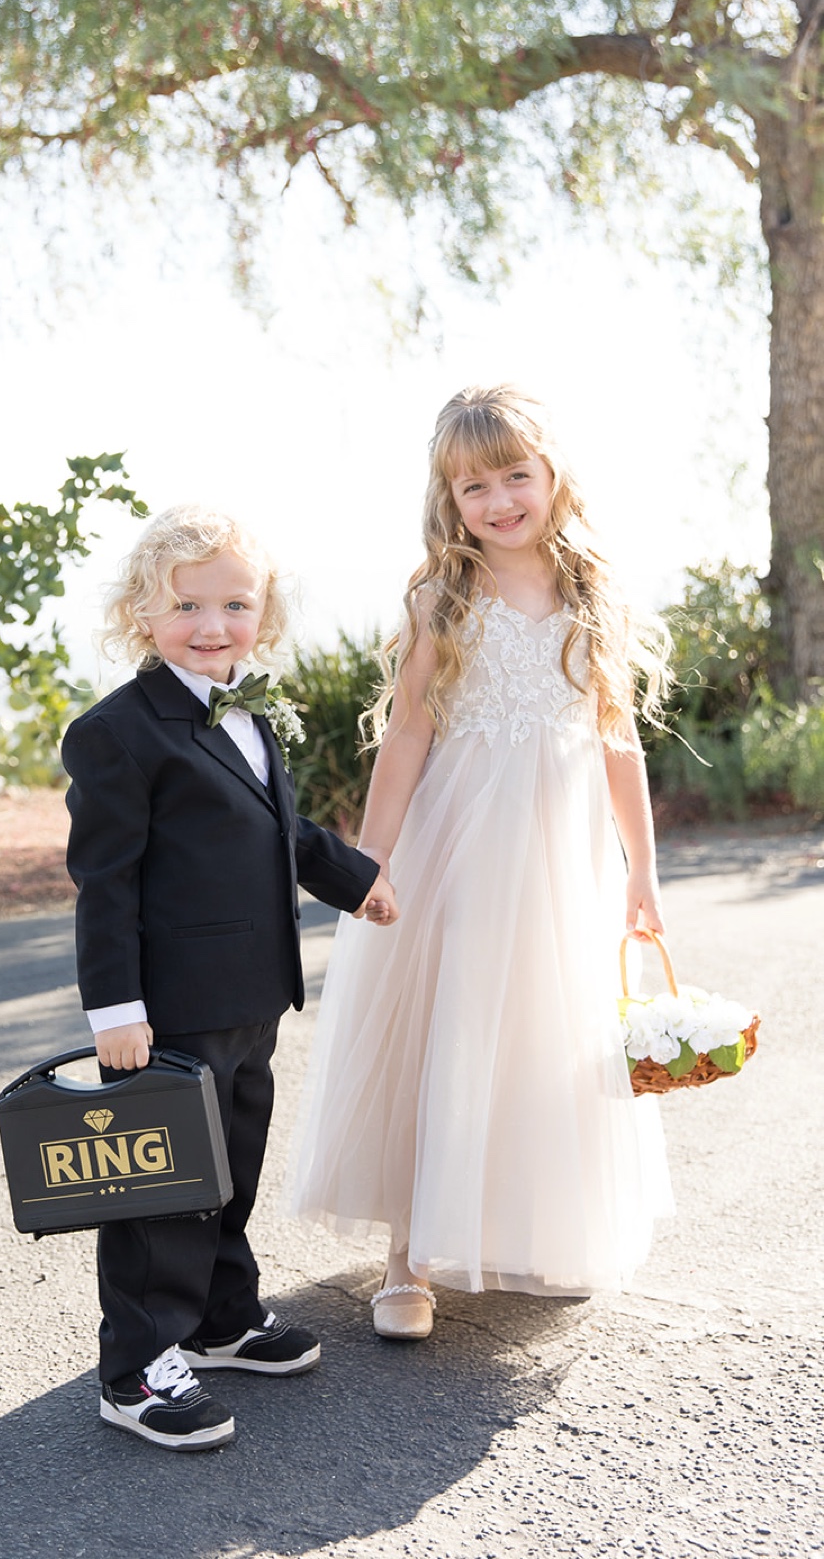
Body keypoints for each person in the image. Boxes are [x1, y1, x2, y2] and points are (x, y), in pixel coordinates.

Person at [291, 384, 674, 1338]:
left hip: (562, 857)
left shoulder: (593, 593)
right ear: (450, 500)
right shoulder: (443, 598)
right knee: (444, 1027)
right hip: (458, 843)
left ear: (552, 476)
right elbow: (408, 733)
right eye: (475, 487)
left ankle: (526, 1226)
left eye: (515, 476)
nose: (500, 500)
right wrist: (371, 858)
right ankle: (408, 1255)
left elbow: (618, 737)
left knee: (545, 1032)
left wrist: (641, 868)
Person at [62, 505, 398, 1450]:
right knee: (165, 1184)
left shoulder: (248, 708)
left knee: (230, 1166)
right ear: (142, 613)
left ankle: (220, 1317)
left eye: (236, 604)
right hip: (169, 1004)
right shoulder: (118, 733)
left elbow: (277, 830)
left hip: (251, 993)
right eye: (187, 605)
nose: (213, 625)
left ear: (264, 613)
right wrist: (115, 1009)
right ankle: (136, 1368)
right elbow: (105, 882)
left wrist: (356, 881)